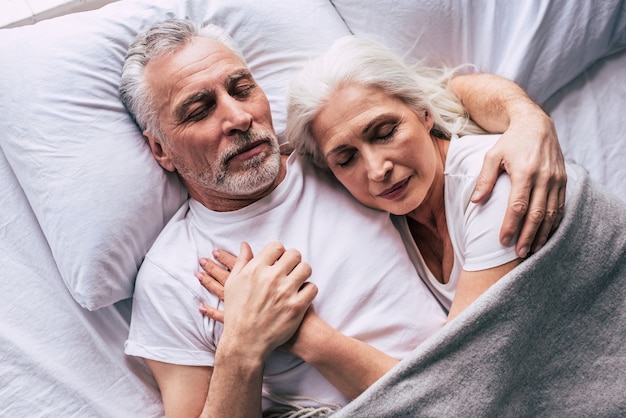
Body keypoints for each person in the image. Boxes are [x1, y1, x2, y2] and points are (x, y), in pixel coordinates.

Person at [120, 19, 565, 417]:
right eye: (199, 110)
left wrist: (525, 117)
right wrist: (242, 348)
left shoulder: (339, 159)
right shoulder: (171, 277)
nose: (238, 117)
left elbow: (438, 91)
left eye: (241, 88)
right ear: (161, 149)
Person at [283, 35, 569, 319]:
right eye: (346, 159)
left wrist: (300, 330)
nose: (377, 169)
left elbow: (464, 357)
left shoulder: (494, 182)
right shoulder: (387, 224)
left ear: (424, 113)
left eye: (385, 133)